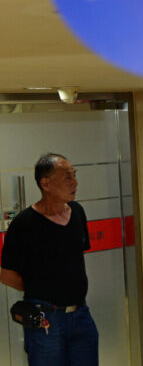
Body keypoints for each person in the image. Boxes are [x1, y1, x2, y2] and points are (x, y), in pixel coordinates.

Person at [0, 153, 98, 366]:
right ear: (46, 184)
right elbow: (7, 275)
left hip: (81, 314)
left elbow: (76, 259)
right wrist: (41, 288)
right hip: (46, 320)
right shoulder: (24, 224)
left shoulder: (78, 212)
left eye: (74, 176)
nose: (75, 182)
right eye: (67, 177)